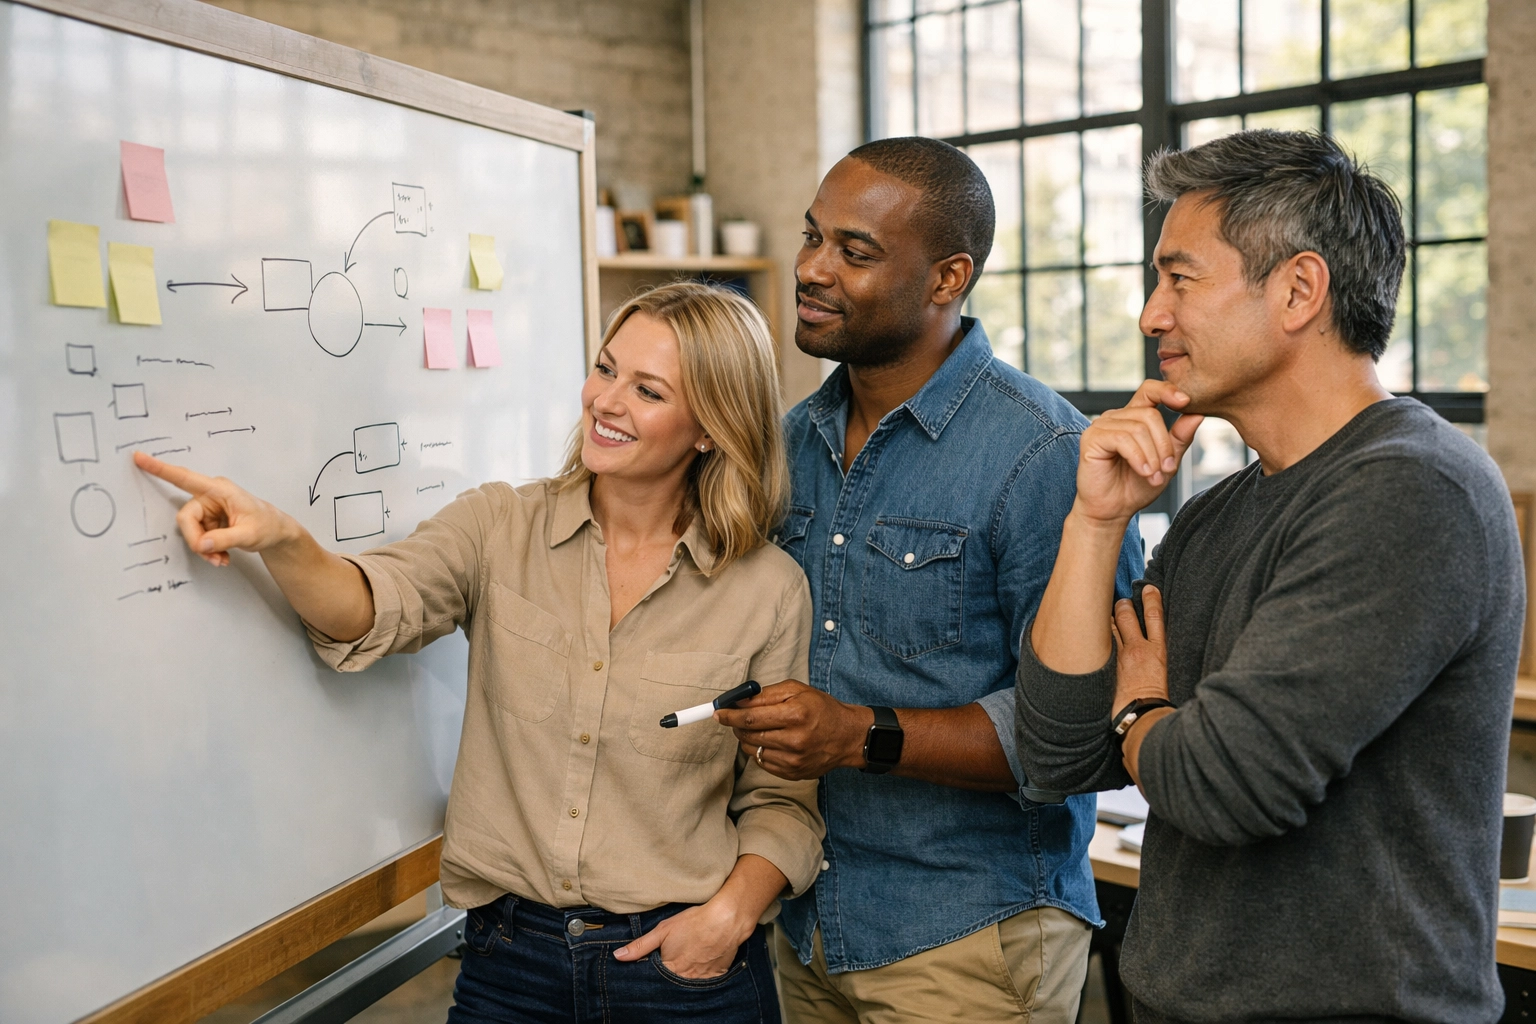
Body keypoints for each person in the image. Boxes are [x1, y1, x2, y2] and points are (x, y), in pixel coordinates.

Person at [135, 282, 824, 1024]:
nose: (605, 399)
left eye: (647, 390)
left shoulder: (767, 590)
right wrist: (281, 537)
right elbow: (371, 606)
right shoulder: (500, 526)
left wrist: (724, 921)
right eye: (605, 368)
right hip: (510, 966)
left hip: (682, 974)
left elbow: (782, 803)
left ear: (708, 429)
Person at [1016, 129, 1524, 1022]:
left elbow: (1226, 783)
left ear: (1298, 290)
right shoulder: (1217, 512)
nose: (1151, 316)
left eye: (1181, 279)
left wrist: (1139, 709)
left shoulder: (1413, 489)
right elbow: (1058, 752)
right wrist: (1097, 522)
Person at [714, 137, 1142, 1023]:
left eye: (854, 252)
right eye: (812, 237)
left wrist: (856, 733)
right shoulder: (790, 442)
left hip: (969, 940)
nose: (811, 269)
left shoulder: (1044, 457)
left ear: (948, 279)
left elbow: (1087, 736)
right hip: (809, 922)